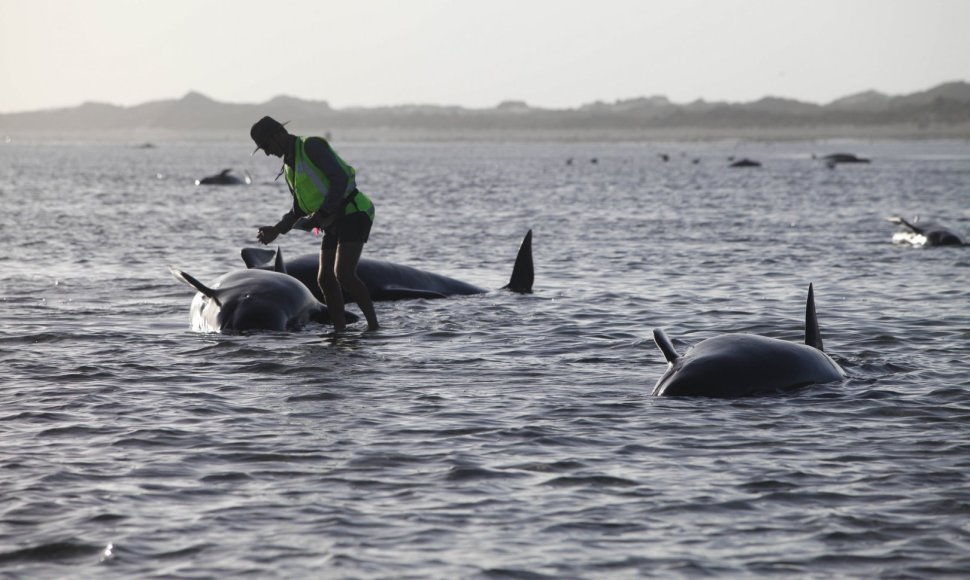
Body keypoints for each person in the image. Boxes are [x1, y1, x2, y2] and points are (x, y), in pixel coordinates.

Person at [250, 116, 379, 331]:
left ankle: (374, 327)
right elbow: (298, 209)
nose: (266, 152)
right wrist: (277, 230)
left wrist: (323, 213)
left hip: (354, 212)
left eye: (266, 145)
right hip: (331, 221)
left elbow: (341, 179)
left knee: (344, 274)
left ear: (279, 135)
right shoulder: (289, 167)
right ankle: (339, 331)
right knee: (325, 278)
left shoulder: (311, 146)